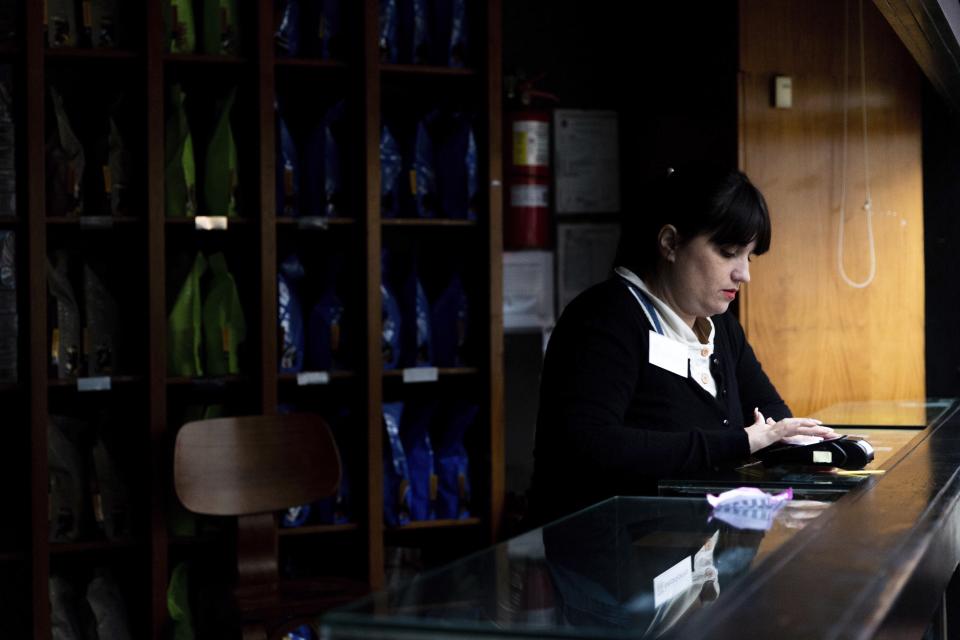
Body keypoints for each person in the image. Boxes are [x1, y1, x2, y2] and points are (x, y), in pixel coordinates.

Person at [528, 165, 834, 524]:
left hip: (700, 546)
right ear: (670, 243)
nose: (744, 274)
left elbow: (772, 417)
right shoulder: (604, 318)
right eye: (727, 251)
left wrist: (827, 448)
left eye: (748, 257)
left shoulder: (722, 327)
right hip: (609, 552)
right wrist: (740, 441)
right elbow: (592, 446)